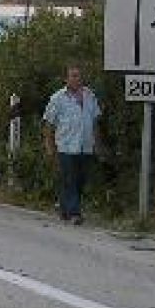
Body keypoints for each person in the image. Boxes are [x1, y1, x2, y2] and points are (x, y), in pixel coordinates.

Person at [43, 65, 102, 225]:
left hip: (85, 146)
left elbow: (95, 121)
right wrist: (49, 146)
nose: (77, 79)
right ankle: (75, 213)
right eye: (73, 76)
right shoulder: (58, 98)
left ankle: (64, 208)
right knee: (70, 179)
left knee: (81, 180)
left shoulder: (90, 96)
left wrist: (97, 144)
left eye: (79, 76)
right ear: (66, 79)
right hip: (66, 146)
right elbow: (49, 124)